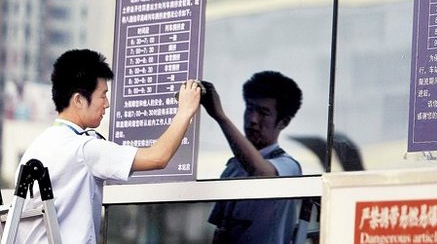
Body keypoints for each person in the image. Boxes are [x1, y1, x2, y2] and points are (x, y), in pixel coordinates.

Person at [13, 49, 202, 244]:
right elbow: (157, 157)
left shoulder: (39, 146)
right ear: (79, 100)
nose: (108, 104)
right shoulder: (83, 148)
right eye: (102, 95)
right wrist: (185, 110)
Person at [201, 71, 303, 244]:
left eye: (263, 113)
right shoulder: (233, 168)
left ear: (283, 122)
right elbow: (220, 231)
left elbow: (262, 173)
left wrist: (220, 117)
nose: (253, 119)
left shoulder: (288, 166)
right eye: (249, 109)